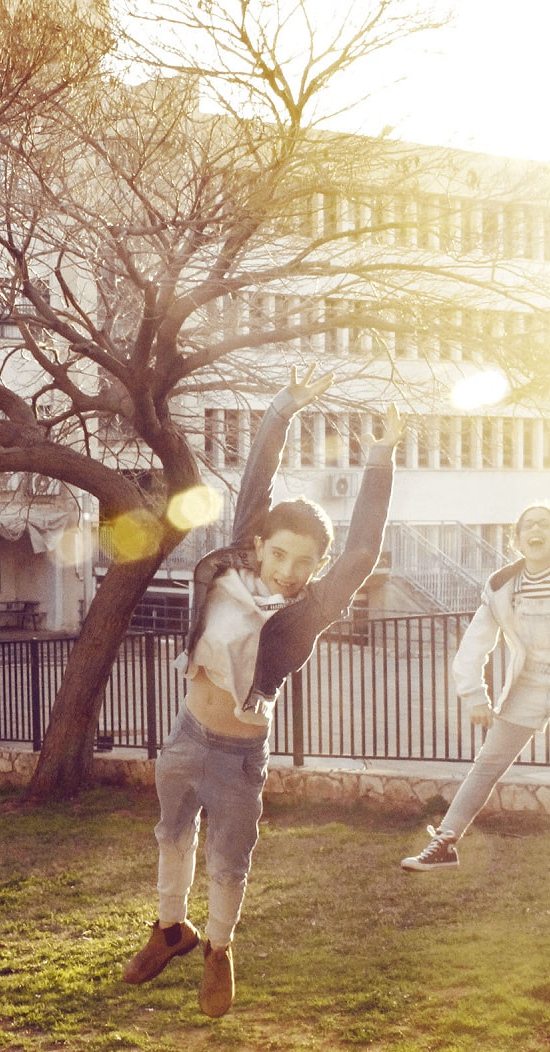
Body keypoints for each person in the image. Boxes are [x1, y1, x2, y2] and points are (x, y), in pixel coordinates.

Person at [122, 368, 402, 1015]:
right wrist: (283, 409)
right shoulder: (230, 564)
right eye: (280, 556)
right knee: (171, 835)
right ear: (259, 546)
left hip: (240, 757)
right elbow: (258, 481)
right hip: (186, 732)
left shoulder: (312, 609)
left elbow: (359, 551)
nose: (288, 572)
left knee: (228, 862)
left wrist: (380, 457)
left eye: (304, 563)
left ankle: (217, 951)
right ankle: (170, 930)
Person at [399, 503, 550, 923]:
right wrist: (474, 694)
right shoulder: (501, 586)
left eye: (544, 524)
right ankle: (446, 843)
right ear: (516, 539)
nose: (535, 531)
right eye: (527, 526)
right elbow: (475, 642)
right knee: (488, 763)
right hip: (528, 685)